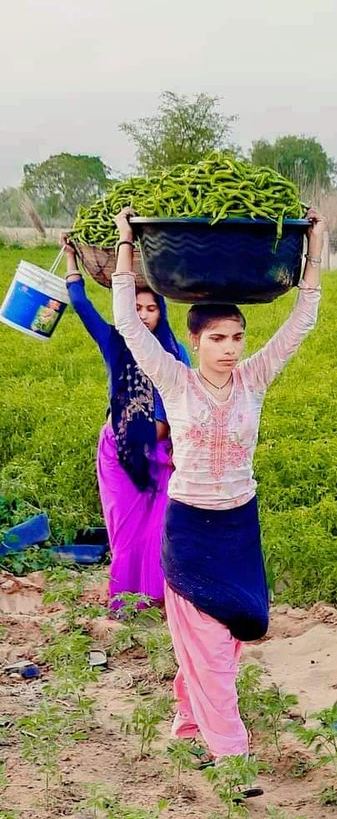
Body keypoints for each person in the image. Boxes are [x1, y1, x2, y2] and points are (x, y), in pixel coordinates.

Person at [110, 206, 323, 771]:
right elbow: (130, 325)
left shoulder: (254, 379)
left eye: (237, 336)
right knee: (207, 644)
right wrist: (126, 245)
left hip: (237, 525)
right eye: (219, 338)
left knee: (227, 636)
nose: (230, 347)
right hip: (190, 526)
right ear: (195, 341)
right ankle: (231, 754)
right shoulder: (176, 382)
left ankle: (186, 720)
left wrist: (316, 248)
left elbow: (302, 321)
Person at [62, 235, 191, 610]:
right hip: (120, 451)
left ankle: (155, 595)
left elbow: (183, 397)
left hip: (162, 455)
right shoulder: (115, 342)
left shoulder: (174, 350)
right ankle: (125, 600)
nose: (145, 315)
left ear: (161, 311)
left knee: (159, 528)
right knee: (125, 530)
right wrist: (72, 258)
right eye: (136, 308)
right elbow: (81, 304)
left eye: (151, 308)